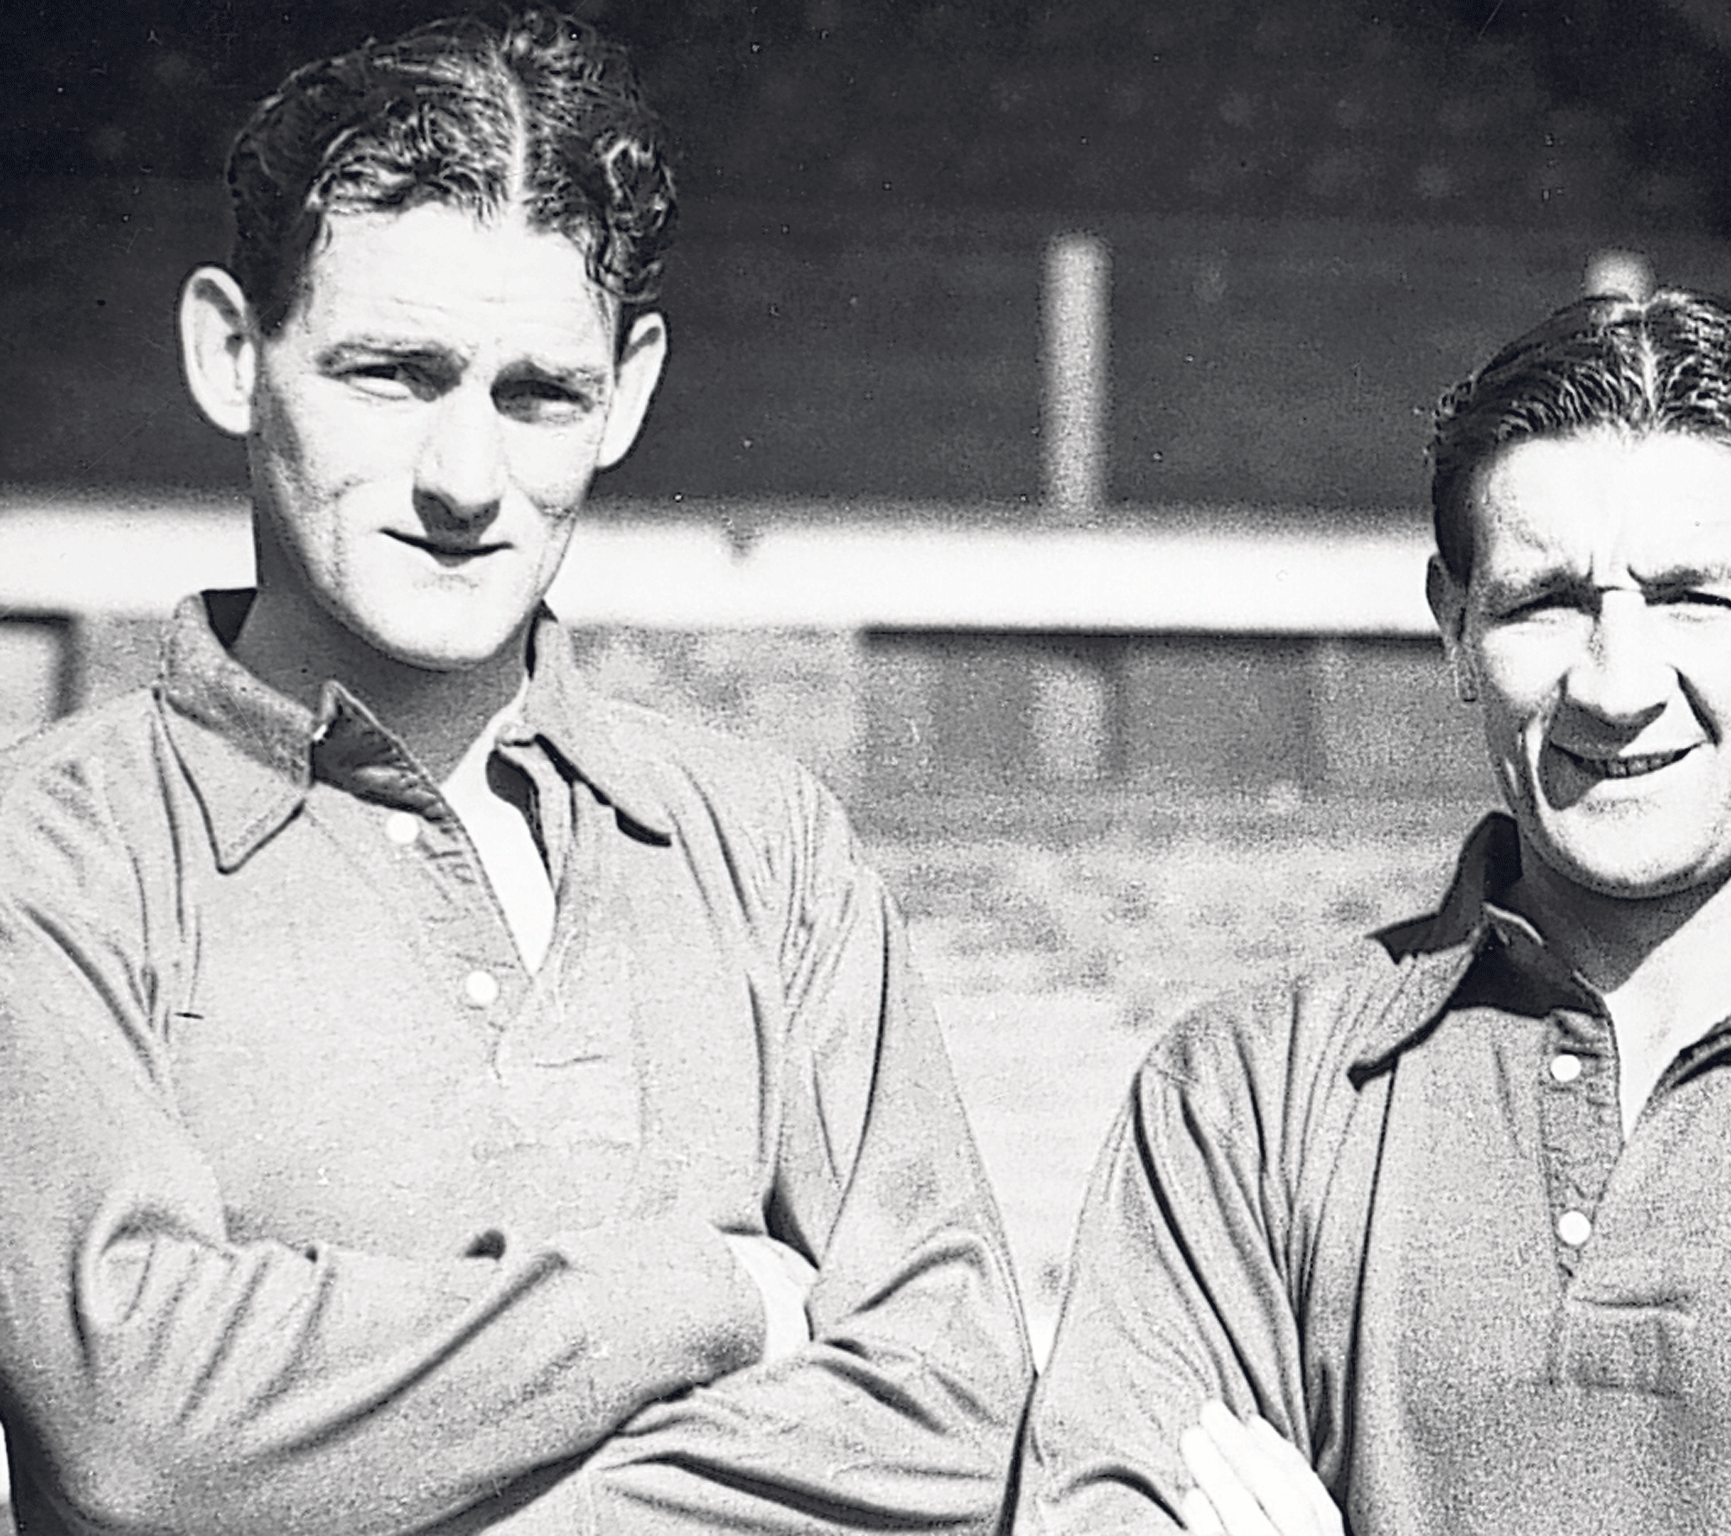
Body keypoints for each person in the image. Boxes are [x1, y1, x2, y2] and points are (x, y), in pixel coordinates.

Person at [0, 11, 1030, 1534]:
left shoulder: (765, 847)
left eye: (537, 392)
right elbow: (142, 1432)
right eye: (393, 374)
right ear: (233, 355)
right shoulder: (54, 853)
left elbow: (958, 1412)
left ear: (627, 389)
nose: (466, 481)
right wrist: (712, 1296)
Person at [1011, 289, 1731, 1534]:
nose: (1615, 687)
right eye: (1544, 603)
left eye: (1693, 599)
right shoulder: (1245, 1098)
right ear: (1454, 628)